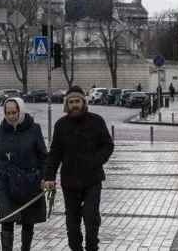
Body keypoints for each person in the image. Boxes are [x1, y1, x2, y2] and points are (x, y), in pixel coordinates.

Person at [43, 85, 114, 251]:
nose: (75, 105)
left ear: (84, 102)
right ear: (67, 104)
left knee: (91, 219)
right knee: (72, 224)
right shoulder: (61, 125)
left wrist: (96, 161)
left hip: (92, 180)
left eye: (78, 101)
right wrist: (49, 177)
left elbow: (108, 145)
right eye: (71, 102)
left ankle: (92, 248)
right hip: (70, 182)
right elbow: (55, 153)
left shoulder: (97, 121)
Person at [0, 97, 48, 251]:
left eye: (14, 112)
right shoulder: (0, 130)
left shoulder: (34, 129)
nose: (11, 116)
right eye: (8, 113)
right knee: (6, 220)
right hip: (5, 182)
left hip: (29, 181)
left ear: (21, 110)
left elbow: (44, 157)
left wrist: (45, 177)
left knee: (28, 220)